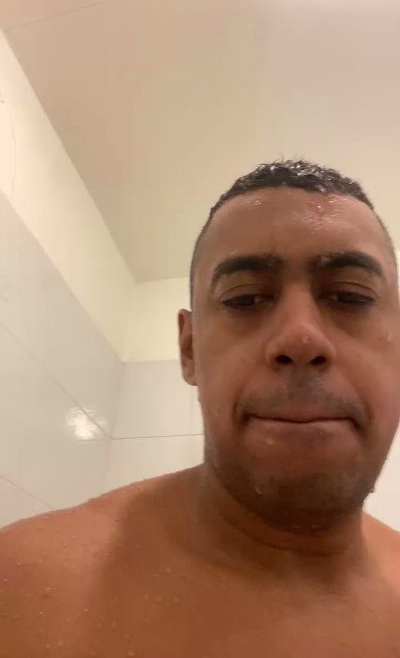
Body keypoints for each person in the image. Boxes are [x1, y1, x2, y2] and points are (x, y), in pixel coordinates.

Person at [0, 160, 399, 658]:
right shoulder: (20, 588)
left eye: (349, 296)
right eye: (246, 299)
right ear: (189, 350)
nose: (301, 338)